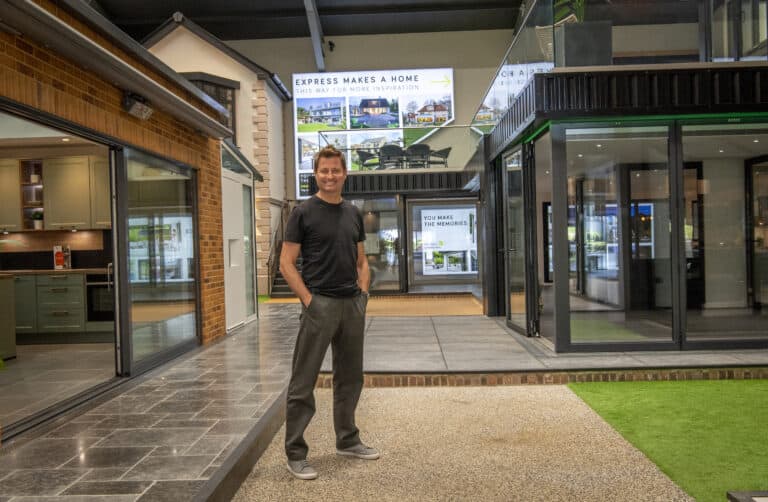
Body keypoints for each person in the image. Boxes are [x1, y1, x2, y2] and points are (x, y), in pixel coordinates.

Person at [280, 145, 379, 481]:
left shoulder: (353, 213)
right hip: (318, 304)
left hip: (352, 305)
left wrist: (363, 295)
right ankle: (295, 453)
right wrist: (309, 300)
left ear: (344, 174)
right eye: (324, 170)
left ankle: (347, 440)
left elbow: (361, 260)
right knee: (303, 381)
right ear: (316, 174)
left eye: (336, 170)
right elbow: (286, 263)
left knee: (351, 378)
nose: (330, 176)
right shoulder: (303, 213)